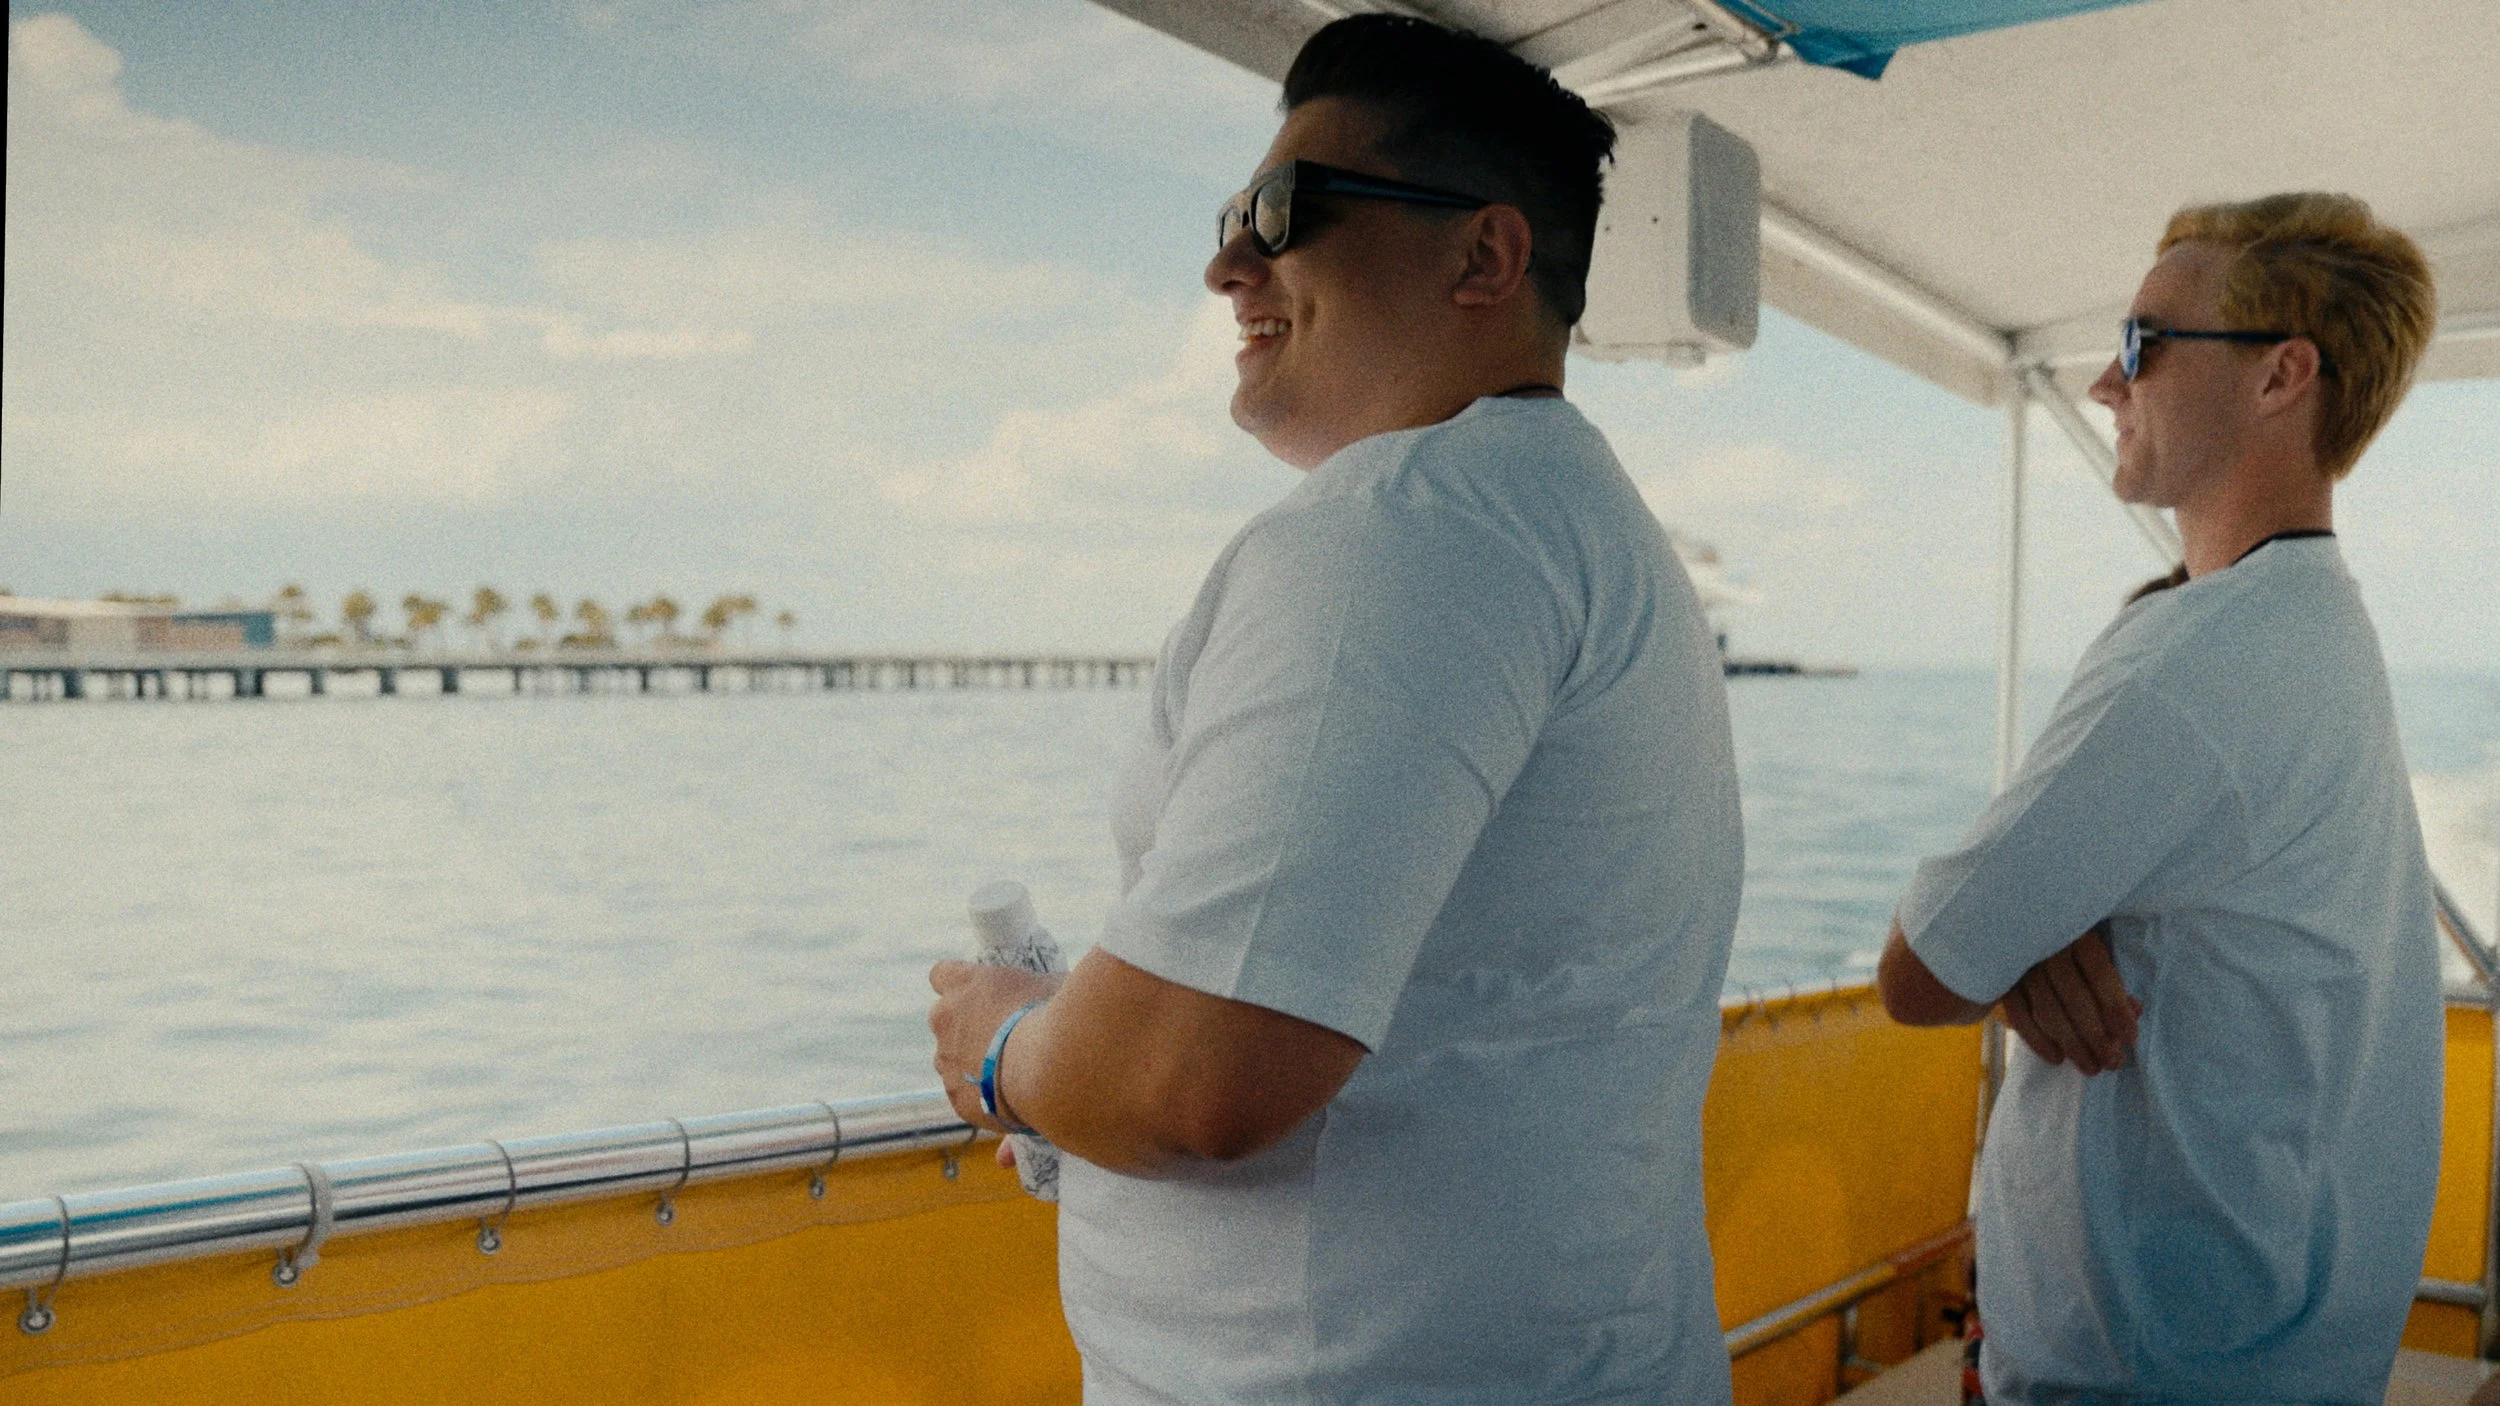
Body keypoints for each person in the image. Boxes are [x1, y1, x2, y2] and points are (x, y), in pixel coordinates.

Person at [928, 15, 1743, 1403]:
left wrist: (1008, 1045)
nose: (1227, 264)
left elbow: (1199, 1077)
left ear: (1483, 257)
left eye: (1284, 211)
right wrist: (1087, 1056)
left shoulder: (1403, 530)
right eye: (1230, 218)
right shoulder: (1567, 521)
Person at [1876, 193, 2443, 1402]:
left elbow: (1919, 972)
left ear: (2280, 375)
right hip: (2281, 1357)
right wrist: (2036, 931)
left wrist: (2015, 938)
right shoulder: (2319, 628)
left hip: (2142, 1373)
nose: (2103, 382)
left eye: (2141, 343)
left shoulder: (2197, 650)